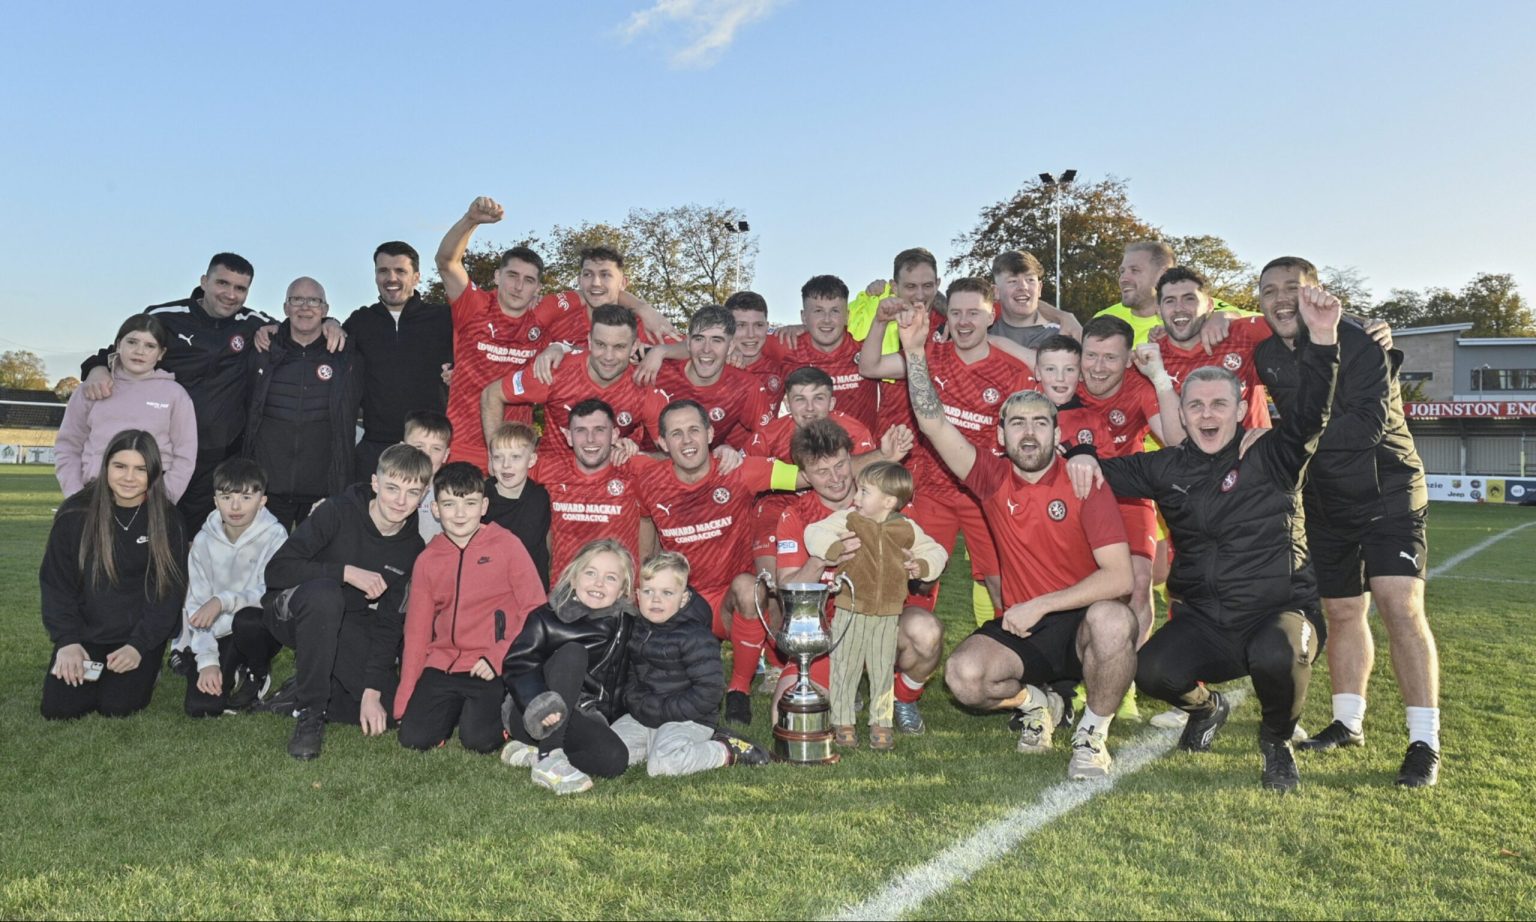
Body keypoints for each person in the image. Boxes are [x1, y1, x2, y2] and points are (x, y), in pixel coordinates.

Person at [1070, 285, 1345, 792]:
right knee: (1151, 671)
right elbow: (1102, 473)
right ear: (1183, 414)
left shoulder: (1275, 456)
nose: (1207, 415)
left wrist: (1323, 338)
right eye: (1195, 406)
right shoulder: (1168, 464)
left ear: (1241, 412)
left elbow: (1312, 412)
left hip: (1278, 614)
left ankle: (1276, 741)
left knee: (1276, 654)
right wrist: (1078, 455)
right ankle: (1207, 707)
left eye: (1220, 404)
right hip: (1209, 623)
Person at [899, 307, 1138, 781]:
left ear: (1056, 431)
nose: (1029, 432)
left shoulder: (1084, 480)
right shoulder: (990, 477)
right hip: (1027, 628)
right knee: (964, 678)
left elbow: (1121, 578)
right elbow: (932, 423)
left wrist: (1043, 604)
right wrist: (912, 351)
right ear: (1001, 436)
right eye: (1018, 424)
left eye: (1040, 423)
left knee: (1113, 618)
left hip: (1081, 622)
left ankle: (1092, 733)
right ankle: (1037, 704)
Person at [1253, 256, 1440, 787]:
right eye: (1269, 290)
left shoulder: (1360, 342)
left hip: (1388, 490)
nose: (1282, 298)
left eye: (1294, 287)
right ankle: (1347, 722)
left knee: (1398, 605)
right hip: (1325, 499)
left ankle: (1424, 741)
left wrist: (1282, 440)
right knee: (1340, 610)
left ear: (1321, 295)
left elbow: (1364, 428)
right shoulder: (1268, 353)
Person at [78, 253, 324, 529]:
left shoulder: (254, 323)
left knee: (204, 544)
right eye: (222, 283)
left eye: (240, 288)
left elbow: (302, 324)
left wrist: (331, 323)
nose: (230, 294)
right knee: (147, 533)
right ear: (204, 281)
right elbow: (122, 349)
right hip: (164, 457)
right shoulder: (166, 317)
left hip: (219, 459)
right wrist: (96, 367)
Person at [860, 277, 1036, 626]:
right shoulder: (929, 356)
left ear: (992, 315)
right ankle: (907, 666)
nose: (964, 321)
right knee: (917, 579)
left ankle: (1005, 659)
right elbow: (870, 367)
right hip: (931, 492)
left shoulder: (1015, 373)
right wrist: (880, 322)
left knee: (999, 582)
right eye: (956, 312)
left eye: (974, 312)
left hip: (983, 495)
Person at [627, 399, 801, 725]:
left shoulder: (739, 470)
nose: (687, 440)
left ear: (710, 433)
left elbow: (808, 476)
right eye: (676, 434)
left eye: (694, 430)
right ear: (662, 443)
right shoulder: (648, 478)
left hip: (728, 603)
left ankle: (739, 690)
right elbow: (644, 516)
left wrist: (882, 459)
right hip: (682, 601)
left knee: (750, 587)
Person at [256, 443, 431, 760]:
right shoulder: (337, 511)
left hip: (345, 621)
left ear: (423, 495)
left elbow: (390, 622)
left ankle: (304, 688)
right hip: (292, 611)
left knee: (390, 711)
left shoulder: (412, 548)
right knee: (326, 594)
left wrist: (372, 691)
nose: (400, 500)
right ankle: (310, 715)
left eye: (412, 492)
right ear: (375, 483)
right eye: (392, 488)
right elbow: (276, 571)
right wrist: (344, 573)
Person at [772, 419, 946, 734]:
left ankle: (903, 698)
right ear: (805, 476)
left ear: (851, 460)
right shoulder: (795, 516)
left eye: (840, 466)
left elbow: (928, 579)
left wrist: (916, 568)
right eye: (822, 472)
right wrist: (820, 559)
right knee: (785, 715)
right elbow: (787, 588)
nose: (836, 479)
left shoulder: (889, 506)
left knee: (926, 631)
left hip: (885, 619)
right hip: (830, 631)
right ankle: (843, 686)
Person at [395, 462, 546, 753]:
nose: (460, 514)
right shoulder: (428, 559)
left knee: (479, 740)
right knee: (413, 739)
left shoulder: (507, 546)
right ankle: (449, 711)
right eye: (449, 504)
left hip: (488, 664)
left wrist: (498, 656)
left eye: (469, 503)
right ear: (436, 509)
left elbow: (535, 608)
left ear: (484, 505)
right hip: (443, 662)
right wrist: (404, 699)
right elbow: (416, 632)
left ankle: (504, 705)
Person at [40, 429, 188, 719]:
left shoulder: (168, 520)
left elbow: (168, 593)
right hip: (85, 634)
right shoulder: (74, 514)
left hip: (137, 636)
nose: (129, 477)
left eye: (140, 469)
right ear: (106, 465)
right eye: (120, 466)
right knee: (60, 709)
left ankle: (150, 666)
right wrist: (68, 641)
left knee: (116, 706)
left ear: (154, 473)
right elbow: (57, 585)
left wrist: (139, 646)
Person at [803, 461, 947, 750]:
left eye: (864, 492)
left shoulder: (906, 529)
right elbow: (813, 532)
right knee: (846, 666)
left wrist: (922, 565)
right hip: (850, 607)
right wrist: (834, 549)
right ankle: (843, 721)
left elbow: (937, 551)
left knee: (882, 669)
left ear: (889, 501)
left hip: (888, 612)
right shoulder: (849, 519)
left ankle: (881, 723)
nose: (855, 498)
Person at [610, 552, 771, 775]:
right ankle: (659, 746)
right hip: (645, 717)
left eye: (667, 593)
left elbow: (710, 692)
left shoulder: (696, 636)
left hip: (689, 718)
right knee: (605, 752)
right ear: (637, 595)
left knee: (663, 766)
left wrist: (666, 712)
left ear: (683, 598)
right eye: (648, 592)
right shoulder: (637, 629)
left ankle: (726, 749)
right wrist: (638, 704)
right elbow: (631, 679)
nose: (656, 600)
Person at [435, 197, 566, 472]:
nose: (518, 286)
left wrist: (642, 308)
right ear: (497, 276)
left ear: (537, 288)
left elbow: (594, 300)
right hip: (463, 448)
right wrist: (470, 220)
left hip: (514, 455)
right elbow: (447, 262)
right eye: (512, 276)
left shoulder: (543, 321)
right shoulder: (474, 307)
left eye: (528, 280)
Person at [499, 539, 638, 795]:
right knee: (573, 653)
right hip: (532, 712)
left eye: (610, 578)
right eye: (590, 573)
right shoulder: (548, 616)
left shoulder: (627, 624)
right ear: (574, 578)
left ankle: (533, 755)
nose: (598, 583)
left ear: (622, 590)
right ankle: (549, 757)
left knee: (615, 760)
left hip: (582, 715)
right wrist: (540, 704)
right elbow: (518, 664)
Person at [243, 277, 365, 530]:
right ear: (286, 307)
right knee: (266, 564)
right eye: (297, 299)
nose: (305, 307)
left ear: (325, 309)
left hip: (322, 490)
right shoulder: (262, 349)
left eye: (314, 301)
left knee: (316, 567)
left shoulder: (346, 355)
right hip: (268, 489)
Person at [169, 458, 287, 717]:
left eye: (246, 497)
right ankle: (226, 666)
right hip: (217, 631)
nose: (235, 506)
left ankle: (257, 671)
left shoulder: (276, 535)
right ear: (215, 501)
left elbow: (270, 593)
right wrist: (208, 661)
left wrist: (222, 601)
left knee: (248, 620)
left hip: (257, 626)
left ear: (262, 500)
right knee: (202, 707)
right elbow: (196, 606)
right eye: (226, 497)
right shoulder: (202, 541)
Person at [341, 241, 454, 481]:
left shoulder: (443, 319)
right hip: (375, 448)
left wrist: (458, 370)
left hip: (429, 448)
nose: (391, 278)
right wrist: (329, 322)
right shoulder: (360, 322)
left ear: (416, 277)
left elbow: (473, 355)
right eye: (383, 271)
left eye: (400, 271)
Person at [54, 314, 196, 503]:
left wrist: (163, 501)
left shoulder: (175, 395)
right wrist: (75, 495)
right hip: (93, 495)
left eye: (150, 346)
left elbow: (185, 455)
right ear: (118, 345)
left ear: (161, 353)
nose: (139, 351)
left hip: (151, 500)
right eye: (132, 342)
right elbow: (68, 446)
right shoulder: (91, 389)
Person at [484, 303, 650, 452]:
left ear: (634, 346)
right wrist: (496, 455)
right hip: (552, 478)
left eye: (619, 347)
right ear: (590, 342)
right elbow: (491, 394)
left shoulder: (644, 387)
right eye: (600, 344)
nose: (608, 356)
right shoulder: (556, 371)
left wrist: (635, 454)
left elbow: (671, 454)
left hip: (609, 482)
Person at [534, 398, 650, 578]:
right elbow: (504, 465)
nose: (590, 439)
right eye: (580, 431)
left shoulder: (633, 469)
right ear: (568, 436)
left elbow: (678, 467)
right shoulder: (549, 469)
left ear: (614, 435)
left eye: (599, 430)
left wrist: (640, 453)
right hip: (564, 593)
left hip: (618, 594)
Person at [639, 305, 770, 451]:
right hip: (646, 465)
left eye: (717, 340)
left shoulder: (746, 387)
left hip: (701, 469)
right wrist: (643, 308)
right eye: (699, 339)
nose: (706, 349)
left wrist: (734, 456)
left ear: (731, 346)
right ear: (688, 342)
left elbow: (769, 438)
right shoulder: (657, 368)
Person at [482, 422, 551, 590]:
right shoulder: (481, 495)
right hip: (489, 584)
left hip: (528, 588)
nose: (506, 465)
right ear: (490, 459)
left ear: (532, 460)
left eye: (515, 457)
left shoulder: (539, 497)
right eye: (498, 457)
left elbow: (526, 545)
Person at [989, 250, 1062, 351]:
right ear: (996, 291)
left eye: (1030, 280)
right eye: (1012, 281)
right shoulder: (979, 335)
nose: (1023, 287)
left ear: (1039, 288)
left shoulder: (1062, 337)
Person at [402, 410, 452, 543]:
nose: (427, 455)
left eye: (436, 448)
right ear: (402, 449)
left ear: (446, 455)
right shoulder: (390, 491)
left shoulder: (451, 493)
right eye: (419, 446)